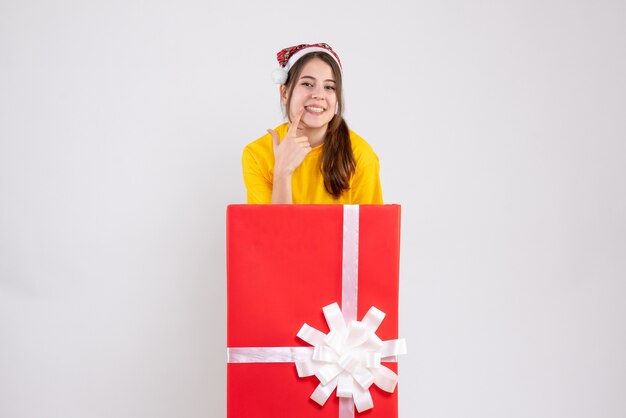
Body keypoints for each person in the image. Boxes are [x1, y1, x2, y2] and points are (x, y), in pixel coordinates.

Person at [242, 43, 383, 204]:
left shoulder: (360, 155)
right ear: (285, 92)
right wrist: (282, 172)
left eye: (329, 87)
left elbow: (371, 228)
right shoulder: (256, 154)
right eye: (308, 84)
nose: (319, 95)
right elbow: (272, 229)